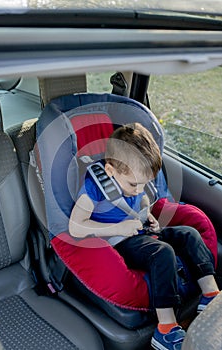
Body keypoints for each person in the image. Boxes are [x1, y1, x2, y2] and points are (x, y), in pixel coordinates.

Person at [69, 122, 219, 350]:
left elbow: (141, 199)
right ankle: (165, 329)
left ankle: (210, 295)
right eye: (133, 184)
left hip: (141, 231)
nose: (139, 190)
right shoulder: (94, 190)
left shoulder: (135, 182)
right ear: (111, 170)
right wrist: (117, 229)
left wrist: (147, 215)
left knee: (189, 233)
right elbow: (75, 227)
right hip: (119, 243)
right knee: (162, 252)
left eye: (144, 184)